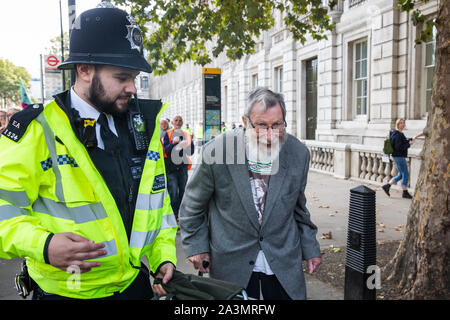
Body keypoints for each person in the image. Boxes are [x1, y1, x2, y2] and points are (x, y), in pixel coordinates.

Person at [0, 4, 176, 300]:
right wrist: (44, 245)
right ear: (83, 70)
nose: (132, 88)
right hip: (66, 292)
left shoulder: (143, 124)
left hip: (132, 285)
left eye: (134, 77)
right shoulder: (36, 129)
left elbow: (158, 205)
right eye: (122, 77)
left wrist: (164, 256)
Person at [179, 87, 322, 300]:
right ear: (246, 122)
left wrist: (310, 247)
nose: (270, 135)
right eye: (262, 126)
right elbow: (191, 207)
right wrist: (195, 246)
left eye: (277, 125)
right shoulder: (217, 152)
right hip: (231, 261)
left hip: (283, 259)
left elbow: (299, 208)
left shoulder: (298, 153)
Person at [163, 115, 194, 221]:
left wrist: (187, 148)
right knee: (173, 193)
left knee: (183, 192)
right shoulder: (168, 134)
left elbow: (191, 151)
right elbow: (165, 150)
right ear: (172, 122)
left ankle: (181, 214)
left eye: (180, 120)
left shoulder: (187, 134)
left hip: (182, 168)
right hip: (171, 169)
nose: (178, 122)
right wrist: (173, 143)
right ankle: (174, 215)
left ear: (182, 122)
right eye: (176, 120)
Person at [382, 118, 418, 199]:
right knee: (405, 173)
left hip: (397, 156)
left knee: (401, 174)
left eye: (403, 123)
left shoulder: (399, 133)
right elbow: (399, 147)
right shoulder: (397, 134)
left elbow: (403, 142)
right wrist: (409, 144)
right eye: (401, 123)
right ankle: (405, 192)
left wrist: (410, 140)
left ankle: (387, 186)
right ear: (397, 124)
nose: (403, 124)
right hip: (399, 156)